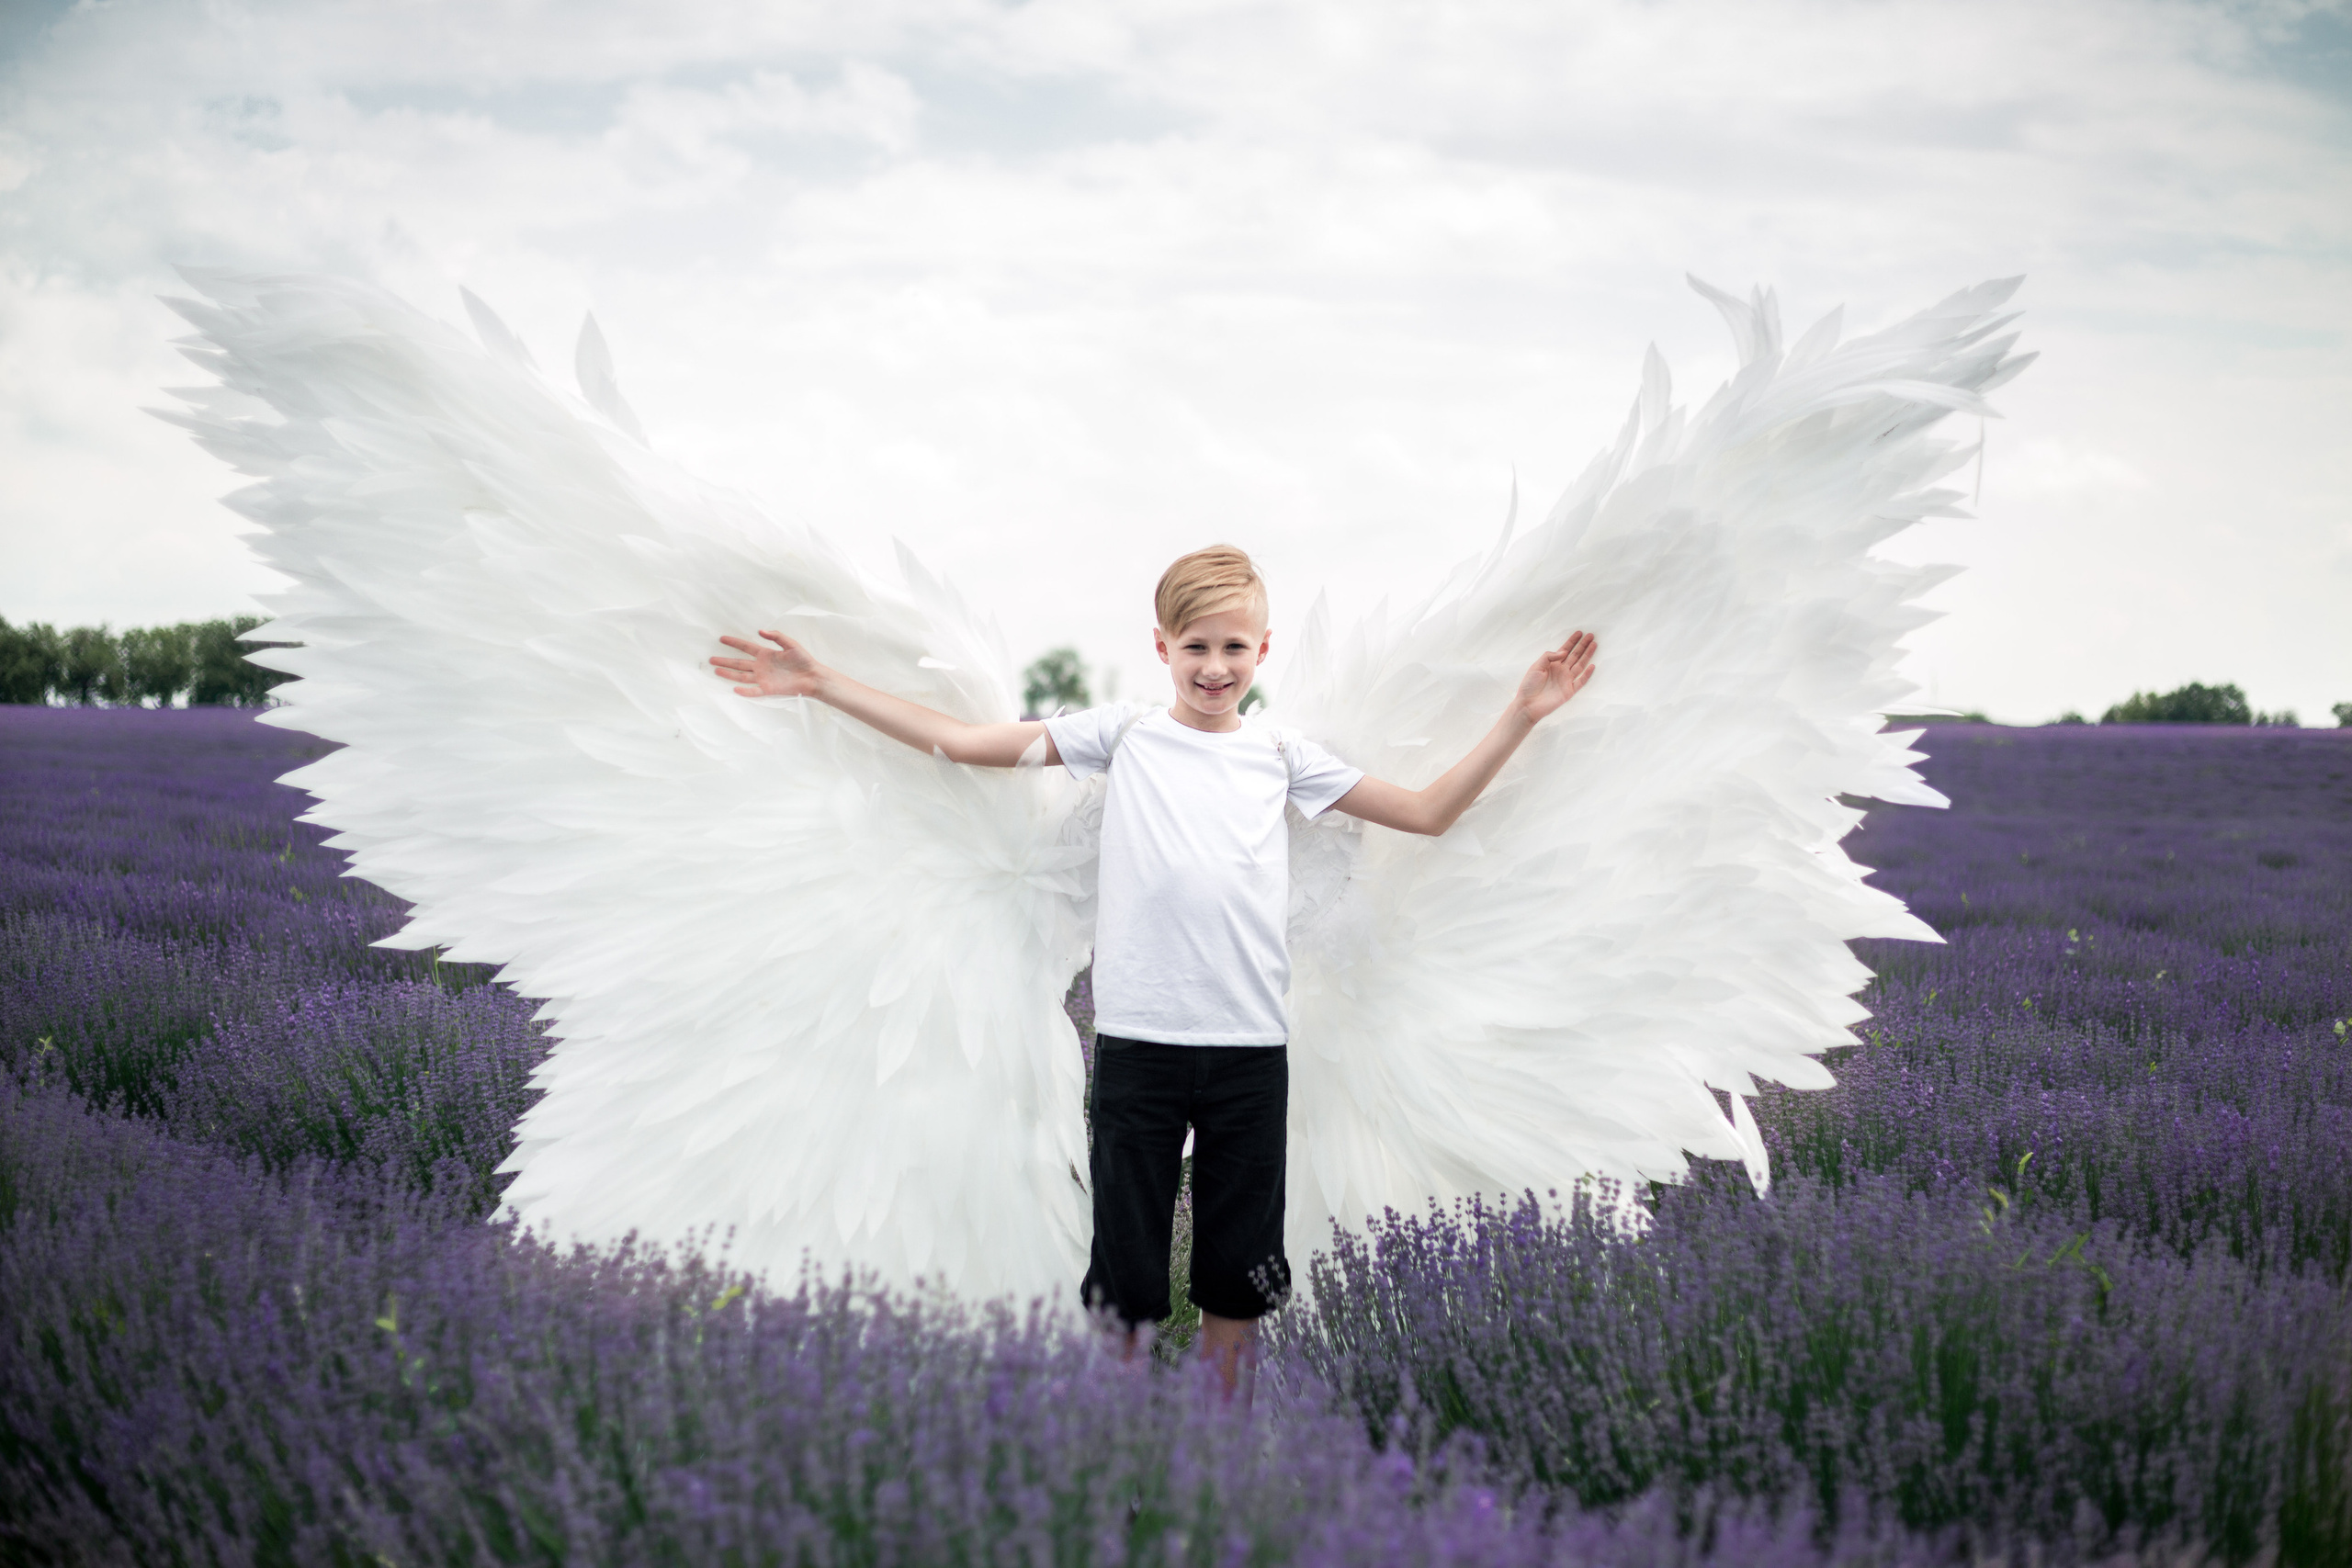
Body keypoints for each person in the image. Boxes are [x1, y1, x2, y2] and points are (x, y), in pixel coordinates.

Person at [710, 544, 1597, 1400]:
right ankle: (1120, 1473)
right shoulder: (1123, 737)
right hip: (1139, 1050)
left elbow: (1426, 810)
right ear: (1162, 648)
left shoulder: (1281, 756)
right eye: (1197, 647)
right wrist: (822, 683)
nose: (1215, 667)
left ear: (1263, 649)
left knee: (1237, 1290)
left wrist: (1523, 712)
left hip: (1250, 1058)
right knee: (1125, 1291)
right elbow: (963, 741)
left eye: (1234, 647)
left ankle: (1212, 1486)